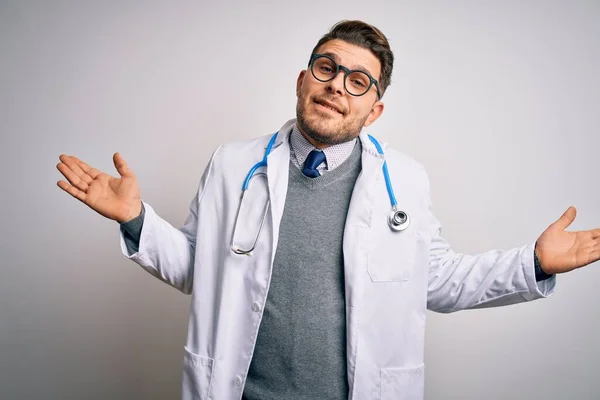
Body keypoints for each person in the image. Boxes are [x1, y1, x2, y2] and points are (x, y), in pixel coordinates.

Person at [56, 20, 599, 400]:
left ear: (373, 109)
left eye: (358, 81)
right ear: (303, 80)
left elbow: (437, 281)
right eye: (326, 67)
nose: (338, 85)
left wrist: (534, 263)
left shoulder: (403, 181)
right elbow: (202, 270)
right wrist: (135, 219)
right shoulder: (232, 164)